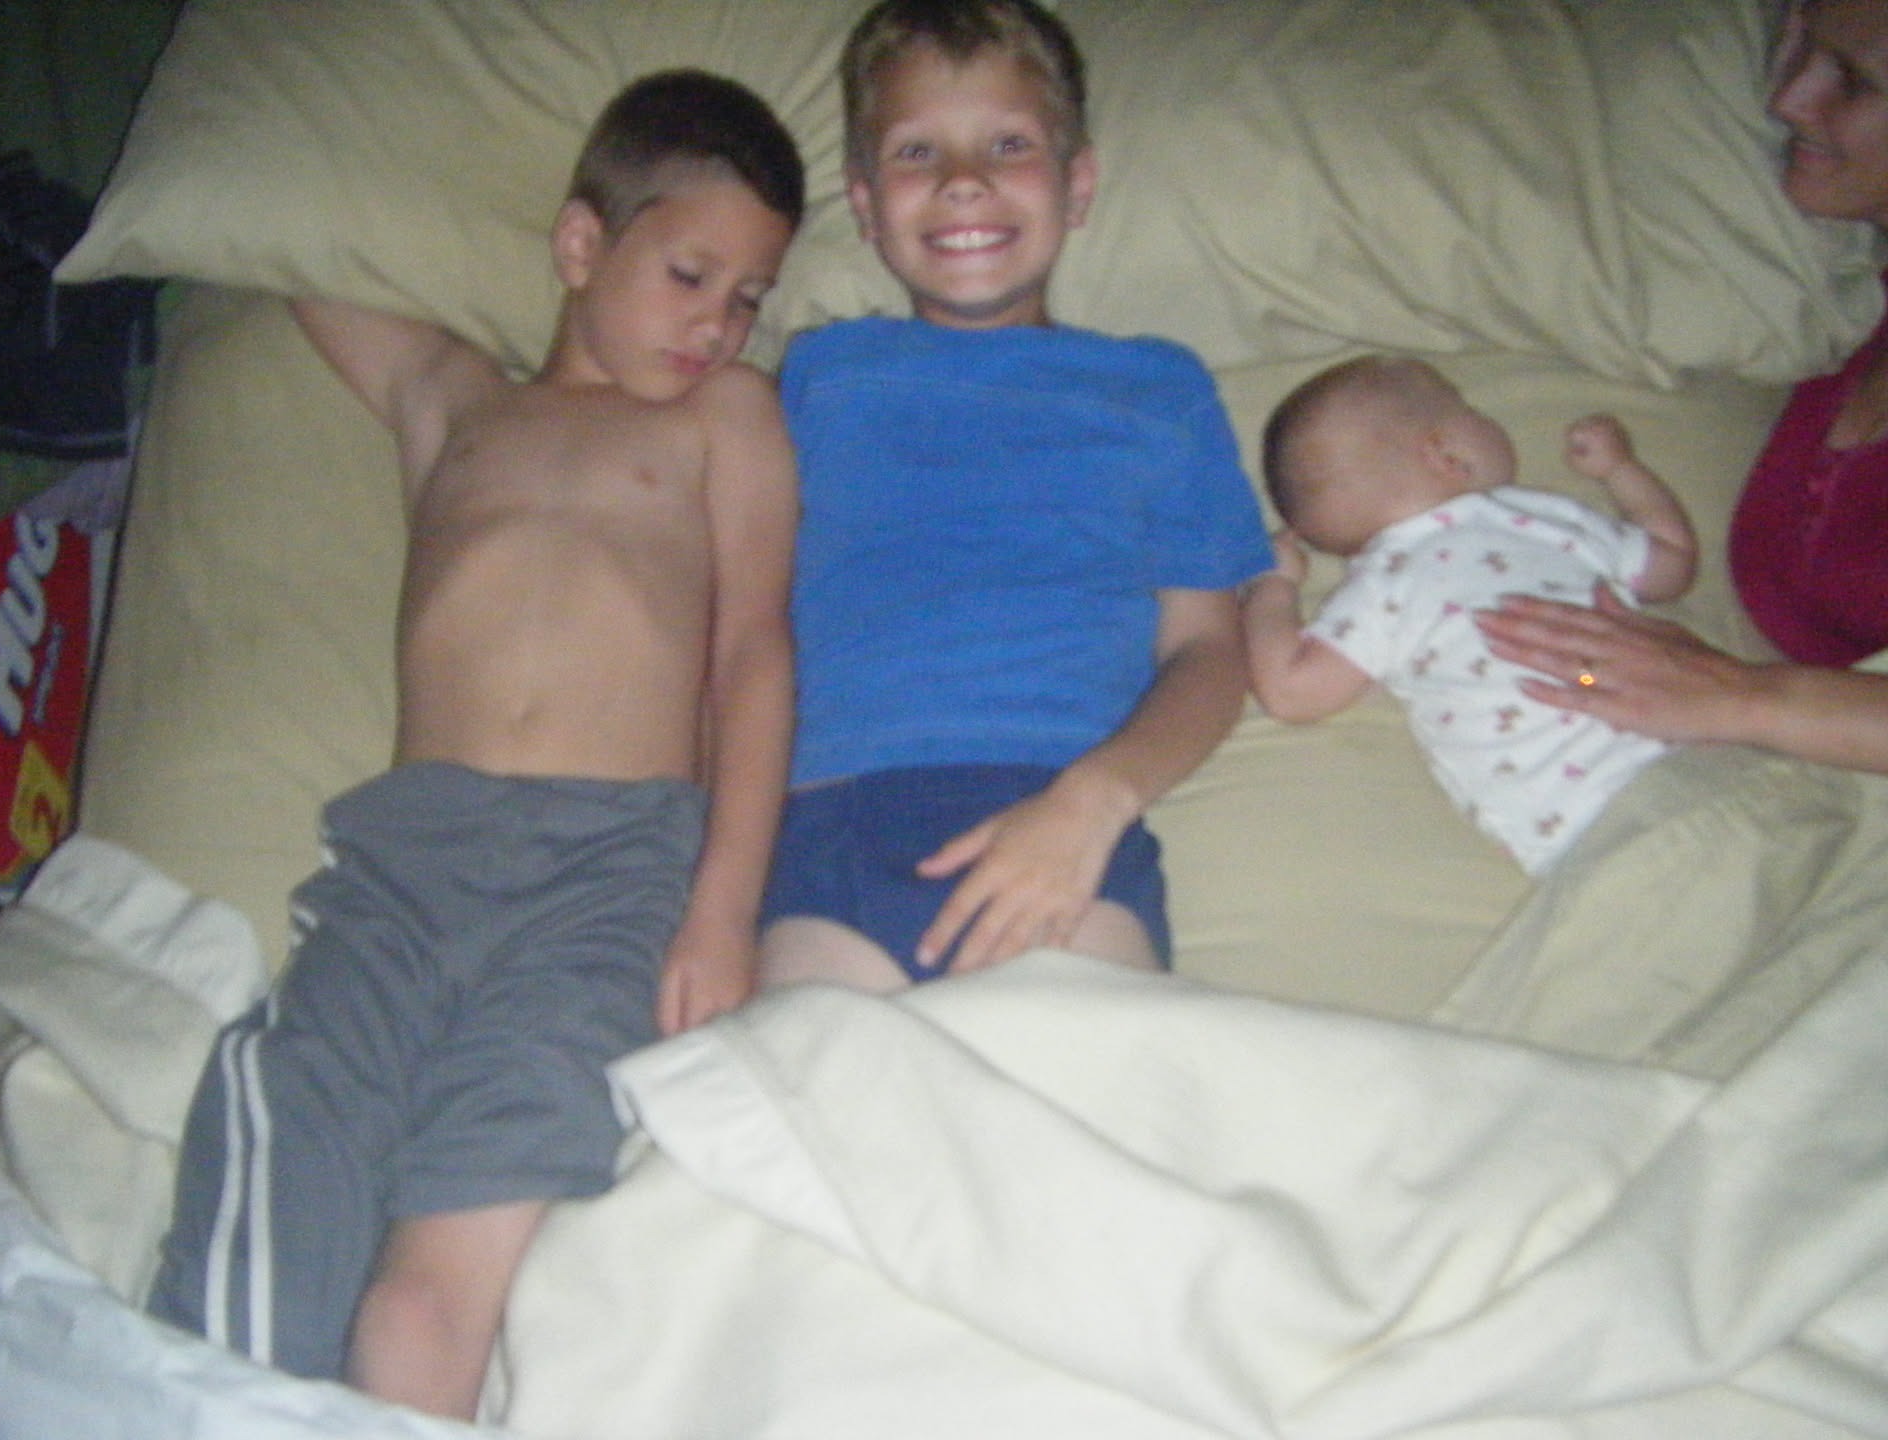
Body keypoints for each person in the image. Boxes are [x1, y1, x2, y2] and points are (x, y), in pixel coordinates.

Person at [144, 70, 804, 1419]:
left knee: (411, 1310)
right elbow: (284, 216)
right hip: (400, 876)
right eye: (689, 274)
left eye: (750, 296)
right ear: (580, 244)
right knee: (279, 1173)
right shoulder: (453, 401)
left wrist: (724, 909)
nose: (719, 324)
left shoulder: (721, 418)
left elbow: (753, 655)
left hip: (605, 888)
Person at [756, 0, 1273, 994]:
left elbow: (1209, 651)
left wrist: (1096, 800)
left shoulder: (1158, 391)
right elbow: (734, 603)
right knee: (816, 1083)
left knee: (1084, 1082)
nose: (963, 180)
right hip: (829, 825)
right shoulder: (824, 375)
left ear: (1077, 185)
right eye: (917, 152)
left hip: (1061, 819)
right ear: (864, 204)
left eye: (1008, 144)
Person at [1473, 0, 1888, 776]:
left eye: (1855, 81)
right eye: (1800, 46)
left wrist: (1742, 696)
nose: (1787, 98)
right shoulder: (1845, 300)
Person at [1242, 354, 1698, 874]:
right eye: (1471, 410)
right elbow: (1672, 563)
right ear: (1449, 455)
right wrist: (1621, 471)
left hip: (1585, 824)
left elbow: (1291, 690)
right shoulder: (1543, 517)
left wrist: (1273, 586)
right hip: (1691, 749)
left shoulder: (1384, 586)